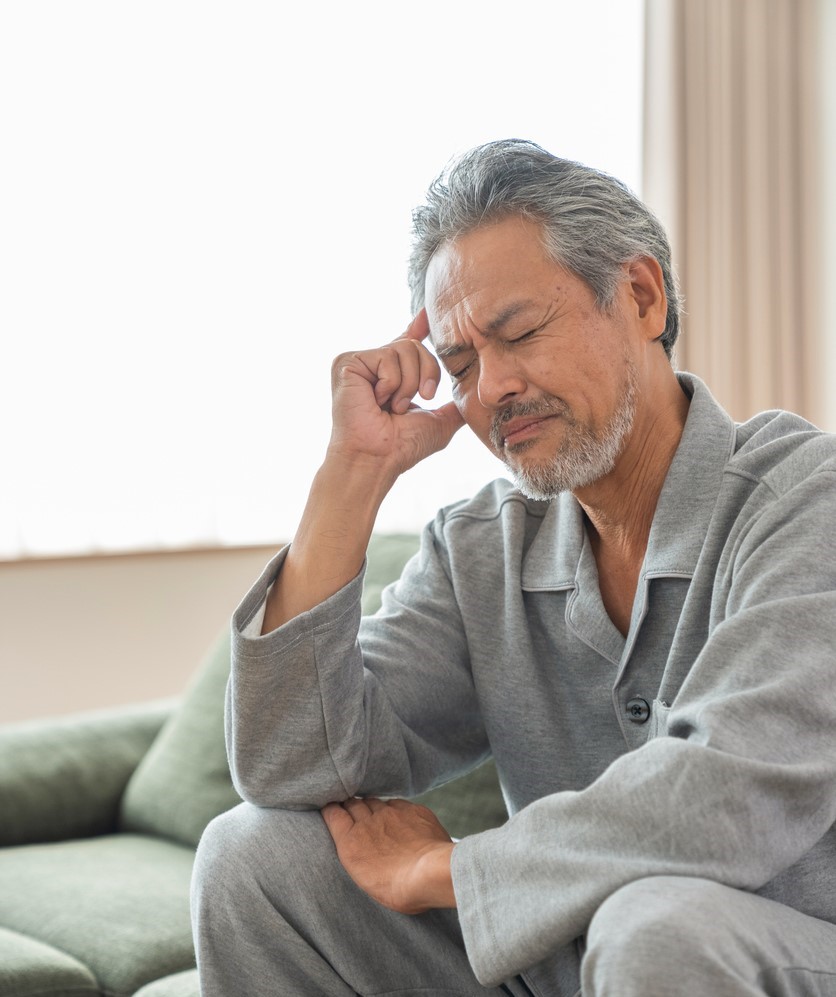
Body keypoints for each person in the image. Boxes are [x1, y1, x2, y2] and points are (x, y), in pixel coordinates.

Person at [191, 139, 836, 996]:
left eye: (520, 332)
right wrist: (353, 475)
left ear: (640, 297)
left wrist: (446, 870)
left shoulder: (806, 500)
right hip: (564, 954)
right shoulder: (482, 548)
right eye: (459, 365)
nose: (491, 387)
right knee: (251, 857)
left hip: (761, 950)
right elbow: (290, 769)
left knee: (655, 928)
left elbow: (727, 803)